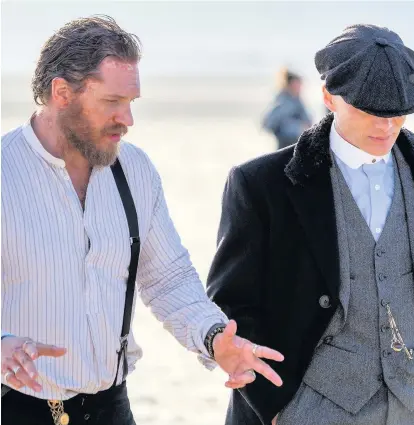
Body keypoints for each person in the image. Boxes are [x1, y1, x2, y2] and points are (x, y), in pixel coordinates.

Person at [1, 15, 285, 425]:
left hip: (112, 408)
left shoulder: (135, 171)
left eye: (131, 103)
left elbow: (168, 279)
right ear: (61, 93)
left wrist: (214, 338)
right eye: (112, 103)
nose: (127, 120)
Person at [207, 24, 414, 425]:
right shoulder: (260, 184)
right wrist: (273, 407)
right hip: (308, 408)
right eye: (370, 112)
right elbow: (233, 303)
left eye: (398, 113)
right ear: (329, 97)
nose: (386, 127)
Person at [262, 69, 312, 149]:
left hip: (296, 143)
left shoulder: (297, 100)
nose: (299, 88)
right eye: (297, 85)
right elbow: (269, 124)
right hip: (285, 143)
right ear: (289, 85)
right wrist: (299, 127)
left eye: (300, 85)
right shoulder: (282, 102)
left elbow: (308, 121)